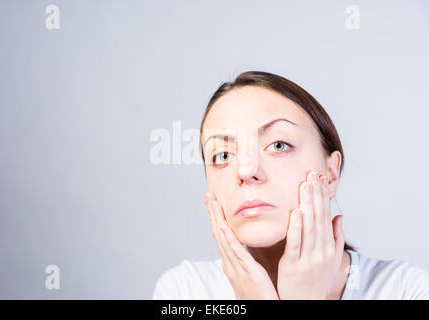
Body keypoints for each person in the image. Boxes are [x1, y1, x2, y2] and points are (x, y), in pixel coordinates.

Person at [152, 71, 429, 299]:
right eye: (223, 155)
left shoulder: (407, 291)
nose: (247, 171)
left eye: (278, 144)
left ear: (331, 174)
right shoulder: (184, 291)